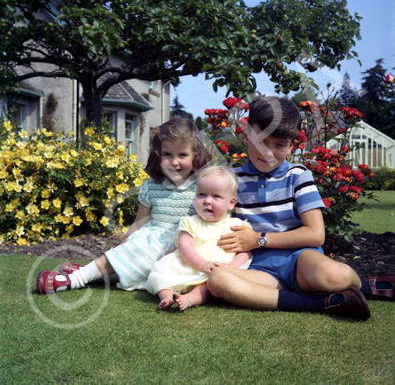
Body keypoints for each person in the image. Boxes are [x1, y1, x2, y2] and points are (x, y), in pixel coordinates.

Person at [207, 96, 394, 320]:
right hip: (253, 267)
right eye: (263, 142)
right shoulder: (230, 179)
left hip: (299, 259)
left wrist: (258, 239)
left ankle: (366, 286)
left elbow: (316, 235)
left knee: (333, 275)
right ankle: (321, 303)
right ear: (247, 133)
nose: (269, 152)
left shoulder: (298, 175)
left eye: (279, 145)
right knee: (218, 280)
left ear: (292, 145)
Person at [37, 118, 208, 294]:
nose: (174, 162)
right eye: (167, 155)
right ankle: (73, 280)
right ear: (158, 155)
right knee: (131, 252)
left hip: (184, 245)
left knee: (144, 269)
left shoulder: (201, 188)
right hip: (152, 240)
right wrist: (124, 244)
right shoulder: (151, 187)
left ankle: (90, 271)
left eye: (182, 155)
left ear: (195, 155)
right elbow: (140, 222)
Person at [146, 165, 251, 311]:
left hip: (216, 271)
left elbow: (245, 252)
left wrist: (231, 268)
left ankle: (190, 299)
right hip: (188, 265)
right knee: (162, 270)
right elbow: (185, 246)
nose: (207, 201)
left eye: (216, 196)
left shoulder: (237, 226)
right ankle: (166, 295)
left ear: (231, 203)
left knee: (207, 285)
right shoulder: (191, 222)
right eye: (202, 195)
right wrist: (201, 265)